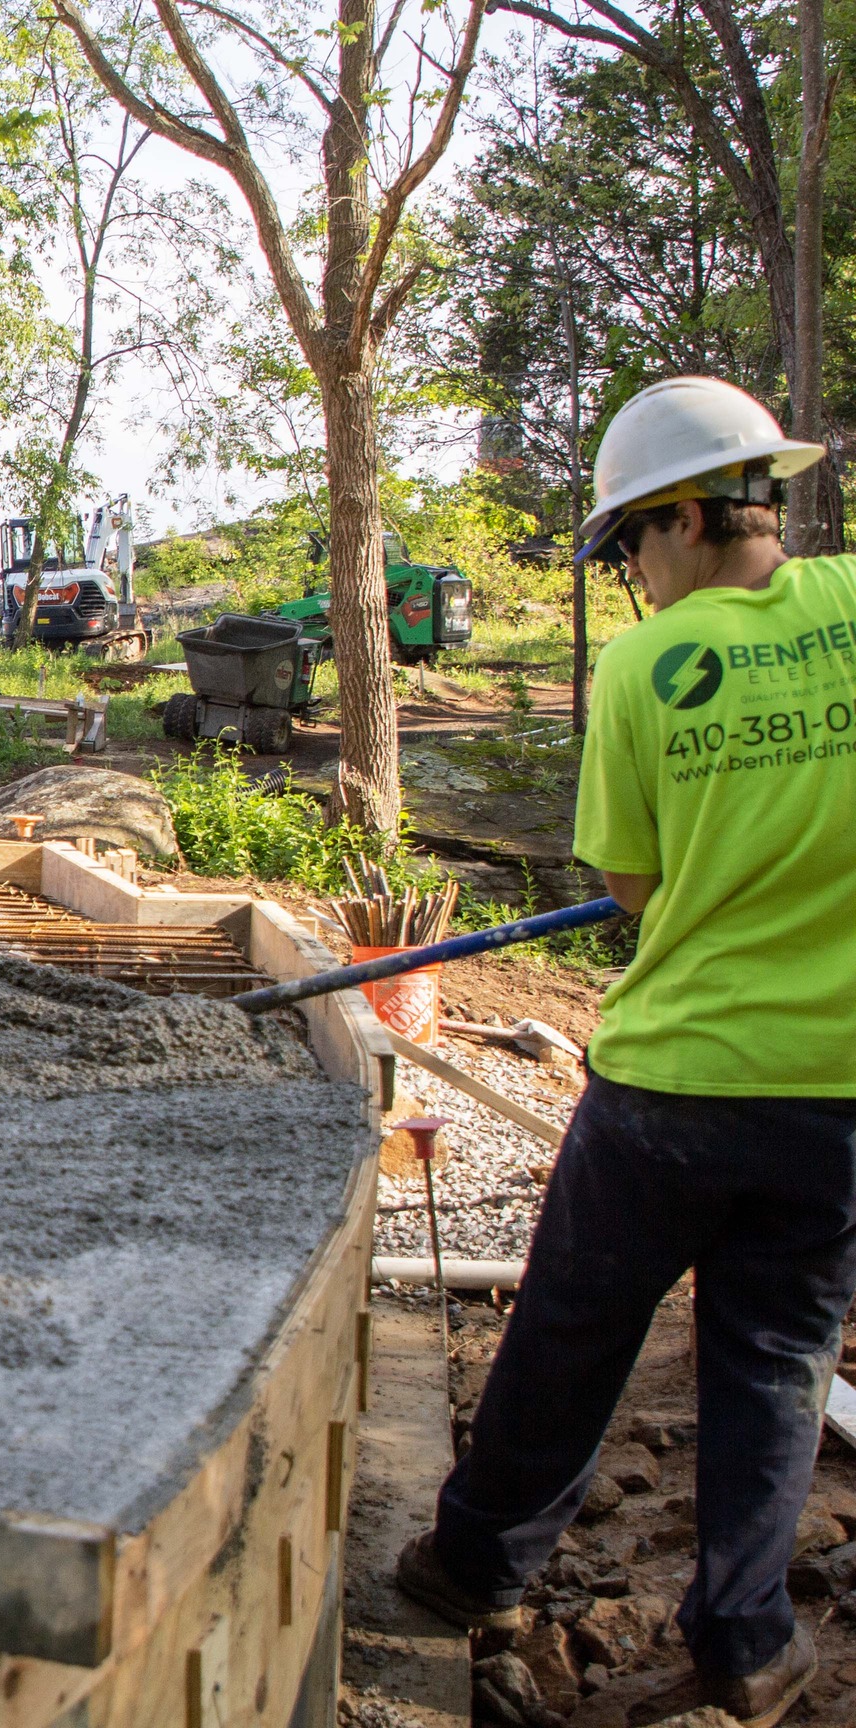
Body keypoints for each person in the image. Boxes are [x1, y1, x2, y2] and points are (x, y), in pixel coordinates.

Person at [395, 376, 856, 1728]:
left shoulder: (649, 670)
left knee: (573, 1327)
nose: (635, 581)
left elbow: (639, 888)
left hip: (676, 1083)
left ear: (692, 519)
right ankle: (746, 1640)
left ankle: (478, 1565)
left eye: (632, 550)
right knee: (776, 1365)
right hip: (834, 1096)